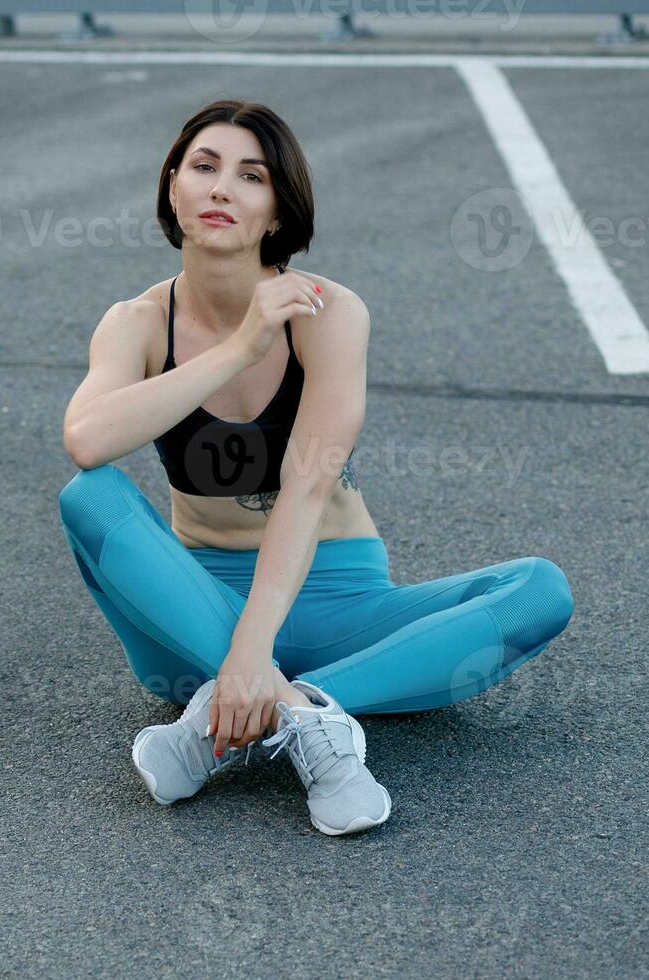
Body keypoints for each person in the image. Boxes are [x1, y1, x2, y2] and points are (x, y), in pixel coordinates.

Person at [57, 99, 575, 836]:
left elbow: (305, 490)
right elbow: (85, 439)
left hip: (336, 596)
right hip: (192, 607)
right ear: (172, 185)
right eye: (202, 167)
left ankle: (283, 707)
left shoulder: (330, 313)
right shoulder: (136, 323)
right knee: (90, 494)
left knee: (536, 591)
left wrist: (249, 660)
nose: (220, 189)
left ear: (276, 211)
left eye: (250, 176)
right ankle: (301, 718)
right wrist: (238, 346)